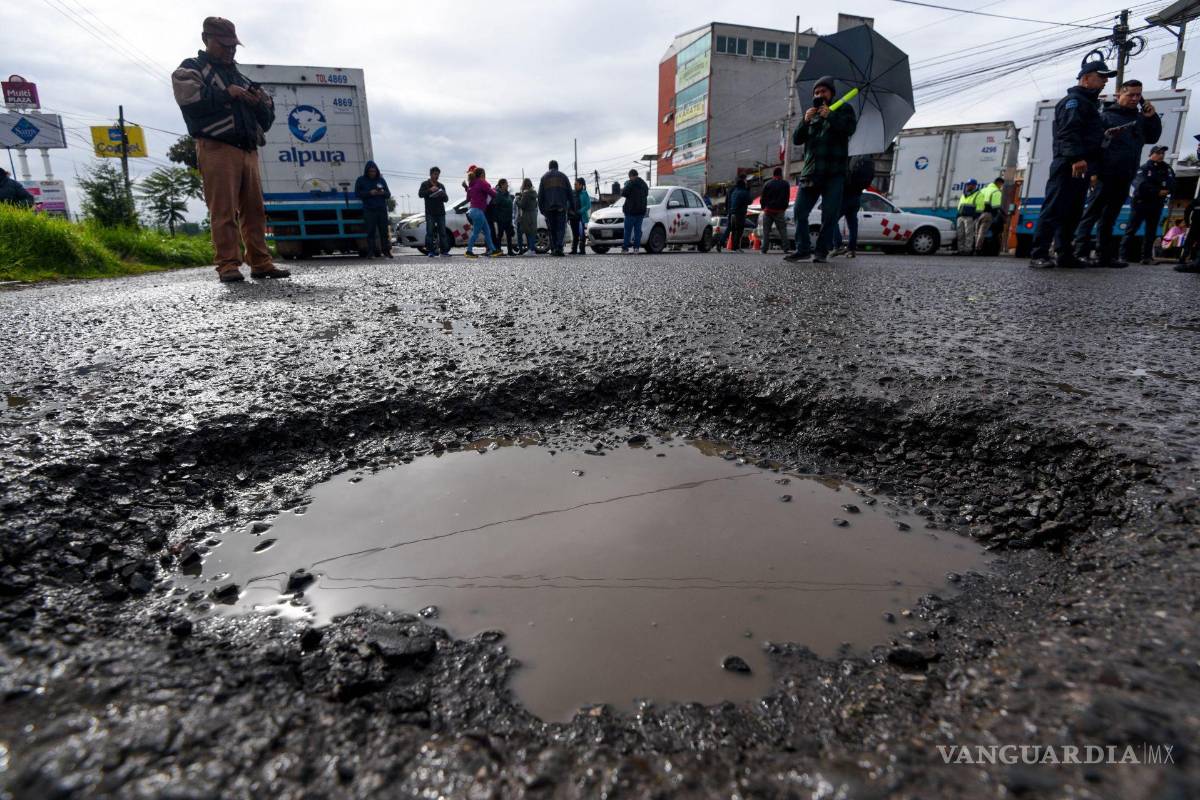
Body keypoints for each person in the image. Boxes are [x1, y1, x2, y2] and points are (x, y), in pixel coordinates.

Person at [172, 16, 288, 283]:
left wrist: (259, 102)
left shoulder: (241, 76)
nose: (229, 50)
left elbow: (267, 120)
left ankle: (261, 262)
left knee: (255, 211)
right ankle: (227, 265)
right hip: (216, 148)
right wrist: (229, 94)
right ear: (206, 40)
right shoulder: (191, 69)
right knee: (223, 210)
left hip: (248, 150)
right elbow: (190, 103)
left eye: (233, 45)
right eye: (223, 44)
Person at [1028, 61, 1115, 269]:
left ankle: (1064, 253)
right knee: (1054, 209)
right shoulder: (1074, 101)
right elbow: (1068, 131)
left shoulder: (1090, 104)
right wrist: (1075, 158)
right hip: (1069, 163)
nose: (1105, 81)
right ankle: (1038, 253)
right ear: (1085, 78)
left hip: (1082, 165)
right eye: (1101, 76)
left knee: (1073, 212)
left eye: (1106, 77)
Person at [1072, 79, 1161, 268]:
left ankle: (1104, 255)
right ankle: (1080, 252)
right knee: (1092, 213)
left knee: (1110, 217)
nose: (1134, 99)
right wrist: (1094, 173)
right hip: (1105, 174)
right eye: (1131, 95)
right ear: (1120, 93)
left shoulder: (1140, 118)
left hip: (1125, 174)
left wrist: (1152, 117)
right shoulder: (1106, 117)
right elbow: (1093, 147)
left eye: (1138, 95)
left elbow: (1153, 138)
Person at [784, 75, 857, 264]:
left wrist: (830, 116)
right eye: (816, 92)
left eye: (823, 91)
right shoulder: (812, 113)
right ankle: (803, 249)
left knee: (830, 215)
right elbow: (797, 140)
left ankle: (821, 252)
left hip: (834, 172)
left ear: (831, 93)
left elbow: (849, 130)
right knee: (799, 211)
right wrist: (805, 121)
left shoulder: (843, 109)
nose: (819, 94)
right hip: (811, 172)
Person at [1121, 145, 1174, 265]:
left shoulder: (1167, 169)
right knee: (1131, 230)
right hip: (1141, 203)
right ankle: (1122, 256)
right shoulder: (1144, 168)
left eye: (1163, 153)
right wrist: (1157, 191)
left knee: (1151, 232)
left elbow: (1172, 183)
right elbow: (1140, 184)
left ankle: (1147, 257)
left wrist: (1167, 190)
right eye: (1158, 153)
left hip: (1156, 204)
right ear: (1151, 154)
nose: (1161, 155)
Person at [832, 155, 876, 258]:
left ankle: (838, 246)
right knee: (852, 224)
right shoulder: (869, 160)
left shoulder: (851, 157)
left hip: (845, 196)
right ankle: (851, 250)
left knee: (832, 219)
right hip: (857, 196)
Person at [538, 160, 576, 256]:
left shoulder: (544, 178)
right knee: (560, 228)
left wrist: (542, 210)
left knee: (552, 229)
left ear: (549, 167)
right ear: (557, 167)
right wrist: (572, 208)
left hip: (549, 209)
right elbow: (570, 194)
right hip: (561, 208)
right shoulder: (563, 177)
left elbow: (540, 196)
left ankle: (554, 248)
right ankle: (559, 247)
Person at [355, 161, 391, 258]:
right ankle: (370, 252)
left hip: (381, 209)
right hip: (369, 210)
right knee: (370, 232)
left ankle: (386, 251)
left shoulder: (381, 180)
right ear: (367, 171)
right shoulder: (361, 180)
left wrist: (382, 192)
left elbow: (388, 194)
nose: (372, 173)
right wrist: (370, 193)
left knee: (384, 232)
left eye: (374, 171)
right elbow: (357, 194)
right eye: (370, 171)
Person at [464, 168, 502, 258]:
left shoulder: (471, 184)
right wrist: (496, 191)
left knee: (487, 231)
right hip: (478, 211)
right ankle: (468, 251)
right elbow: (493, 194)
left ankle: (493, 250)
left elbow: (468, 199)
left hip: (473, 210)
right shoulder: (481, 182)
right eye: (484, 174)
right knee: (476, 232)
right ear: (481, 174)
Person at [418, 166, 450, 257]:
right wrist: (430, 190)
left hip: (440, 212)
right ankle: (431, 251)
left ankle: (444, 251)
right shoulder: (425, 184)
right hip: (430, 212)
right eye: (435, 174)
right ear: (431, 174)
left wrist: (442, 194)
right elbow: (420, 194)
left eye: (438, 174)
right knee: (430, 232)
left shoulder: (441, 185)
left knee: (443, 233)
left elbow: (446, 199)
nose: (437, 176)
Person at [759, 167, 791, 254]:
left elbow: (762, 198)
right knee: (782, 230)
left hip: (768, 210)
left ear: (773, 174)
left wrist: (763, 207)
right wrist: (784, 208)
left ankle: (764, 249)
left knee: (766, 231)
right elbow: (787, 198)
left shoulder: (767, 184)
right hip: (779, 211)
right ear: (781, 174)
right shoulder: (785, 184)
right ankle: (786, 248)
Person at [620, 168, 650, 253]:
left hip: (631, 212)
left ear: (631, 176)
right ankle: (636, 248)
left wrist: (627, 184)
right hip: (640, 212)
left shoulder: (631, 183)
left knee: (628, 231)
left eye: (629, 177)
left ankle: (625, 248)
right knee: (637, 231)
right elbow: (646, 194)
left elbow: (623, 193)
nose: (629, 179)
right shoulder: (644, 184)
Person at [975, 176, 1005, 255]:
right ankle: (978, 249)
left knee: (976, 231)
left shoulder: (983, 190)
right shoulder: (996, 191)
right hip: (987, 214)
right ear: (999, 183)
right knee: (982, 232)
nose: (1001, 187)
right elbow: (996, 206)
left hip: (978, 213)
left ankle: (972, 247)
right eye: (1001, 185)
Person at [955, 179, 981, 255]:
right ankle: (960, 250)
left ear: (974, 185)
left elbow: (980, 207)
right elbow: (960, 205)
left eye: (969, 184)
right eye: (967, 184)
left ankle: (967, 250)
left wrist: (974, 217)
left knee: (968, 234)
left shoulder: (978, 194)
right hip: (961, 216)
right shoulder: (964, 194)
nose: (967, 186)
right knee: (960, 234)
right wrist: (958, 215)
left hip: (970, 217)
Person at [491, 178, 516, 255]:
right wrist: (496, 217)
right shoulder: (498, 194)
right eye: (506, 184)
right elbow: (494, 205)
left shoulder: (507, 193)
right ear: (501, 185)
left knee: (509, 234)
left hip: (508, 218)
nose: (507, 185)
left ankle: (510, 251)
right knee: (500, 234)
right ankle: (498, 250)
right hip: (501, 218)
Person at [728, 176, 751, 252]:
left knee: (734, 231)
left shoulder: (734, 192)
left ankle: (733, 247)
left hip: (732, 213)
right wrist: (748, 191)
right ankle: (737, 247)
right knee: (739, 231)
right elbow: (749, 201)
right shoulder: (744, 192)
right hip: (740, 214)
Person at [516, 178, 538, 254]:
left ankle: (530, 249)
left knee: (528, 232)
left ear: (524, 185)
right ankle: (532, 249)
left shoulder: (525, 194)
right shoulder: (534, 194)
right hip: (533, 214)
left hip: (527, 215)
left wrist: (517, 201)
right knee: (532, 232)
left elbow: (522, 205)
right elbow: (535, 205)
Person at [570, 177, 592, 254]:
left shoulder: (584, 193)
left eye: (576, 184)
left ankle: (582, 250)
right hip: (573, 216)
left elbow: (588, 205)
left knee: (582, 234)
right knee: (574, 234)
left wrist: (580, 211)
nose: (574, 185)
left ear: (581, 185)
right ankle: (574, 250)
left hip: (581, 217)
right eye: (574, 184)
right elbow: (569, 203)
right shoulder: (572, 193)